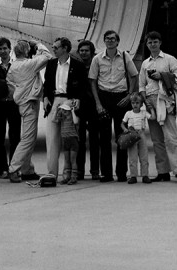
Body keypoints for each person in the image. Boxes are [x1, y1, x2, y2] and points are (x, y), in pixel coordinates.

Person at [89, 30, 139, 183]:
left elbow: (134, 75)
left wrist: (129, 95)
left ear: (118, 42)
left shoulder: (124, 56)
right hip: (104, 97)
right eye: (107, 39)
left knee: (121, 136)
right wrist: (98, 103)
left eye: (113, 39)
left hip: (121, 98)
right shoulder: (97, 59)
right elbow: (92, 81)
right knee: (104, 138)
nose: (110, 41)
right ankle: (106, 173)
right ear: (104, 41)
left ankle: (122, 172)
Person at [139, 31, 177, 184]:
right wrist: (145, 101)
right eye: (150, 42)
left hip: (164, 100)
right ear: (147, 45)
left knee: (171, 137)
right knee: (157, 139)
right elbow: (141, 84)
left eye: (155, 42)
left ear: (160, 43)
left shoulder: (169, 59)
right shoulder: (145, 63)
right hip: (150, 101)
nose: (152, 44)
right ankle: (163, 171)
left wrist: (163, 76)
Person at [44, 37, 90, 180]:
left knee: (69, 139)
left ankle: (68, 173)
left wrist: (78, 100)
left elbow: (83, 87)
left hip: (69, 102)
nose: (53, 49)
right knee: (51, 139)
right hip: (54, 101)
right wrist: (45, 97)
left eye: (56, 47)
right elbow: (47, 84)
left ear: (65, 48)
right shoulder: (51, 64)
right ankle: (52, 173)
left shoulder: (77, 65)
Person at [6, 40, 52, 183]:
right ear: (26, 51)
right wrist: (38, 45)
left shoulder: (13, 66)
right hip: (30, 103)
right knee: (28, 138)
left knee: (28, 137)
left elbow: (10, 81)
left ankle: (27, 170)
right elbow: (47, 56)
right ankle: (13, 169)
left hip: (22, 102)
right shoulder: (29, 65)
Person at [0, 37, 20, 179]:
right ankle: (2, 169)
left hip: (14, 104)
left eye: (5, 48)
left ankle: (14, 166)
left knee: (15, 136)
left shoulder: (16, 66)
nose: (3, 51)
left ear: (10, 49)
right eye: (0, 49)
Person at [76, 40, 100, 180]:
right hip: (80, 106)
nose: (84, 53)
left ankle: (95, 170)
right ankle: (79, 170)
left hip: (93, 106)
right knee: (80, 140)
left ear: (91, 52)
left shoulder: (96, 65)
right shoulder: (77, 66)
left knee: (94, 141)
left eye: (86, 51)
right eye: (82, 51)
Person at [121, 93, 152, 184]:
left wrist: (152, 109)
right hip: (132, 134)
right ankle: (133, 176)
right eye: (133, 103)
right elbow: (122, 123)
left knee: (144, 155)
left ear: (141, 104)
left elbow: (152, 117)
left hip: (141, 133)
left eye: (137, 103)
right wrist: (125, 129)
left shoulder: (143, 113)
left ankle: (145, 175)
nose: (135, 105)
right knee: (132, 156)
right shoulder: (128, 113)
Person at [56, 101, 80, 184]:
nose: (63, 112)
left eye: (65, 110)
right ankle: (67, 176)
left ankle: (74, 177)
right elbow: (55, 120)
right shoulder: (62, 118)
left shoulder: (73, 118)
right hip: (65, 140)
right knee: (67, 160)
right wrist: (57, 109)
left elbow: (76, 122)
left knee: (73, 160)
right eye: (63, 110)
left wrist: (73, 111)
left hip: (73, 140)